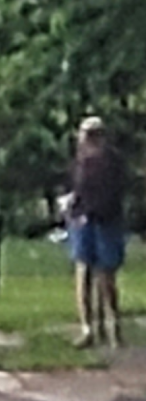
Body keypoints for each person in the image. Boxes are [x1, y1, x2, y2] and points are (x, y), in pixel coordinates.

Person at [70, 117, 129, 347]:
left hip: (106, 221)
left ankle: (113, 325)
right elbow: (75, 187)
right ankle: (88, 328)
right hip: (83, 221)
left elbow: (115, 192)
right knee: (83, 271)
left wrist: (92, 210)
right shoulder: (80, 161)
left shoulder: (112, 161)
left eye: (92, 134)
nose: (86, 139)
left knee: (106, 276)